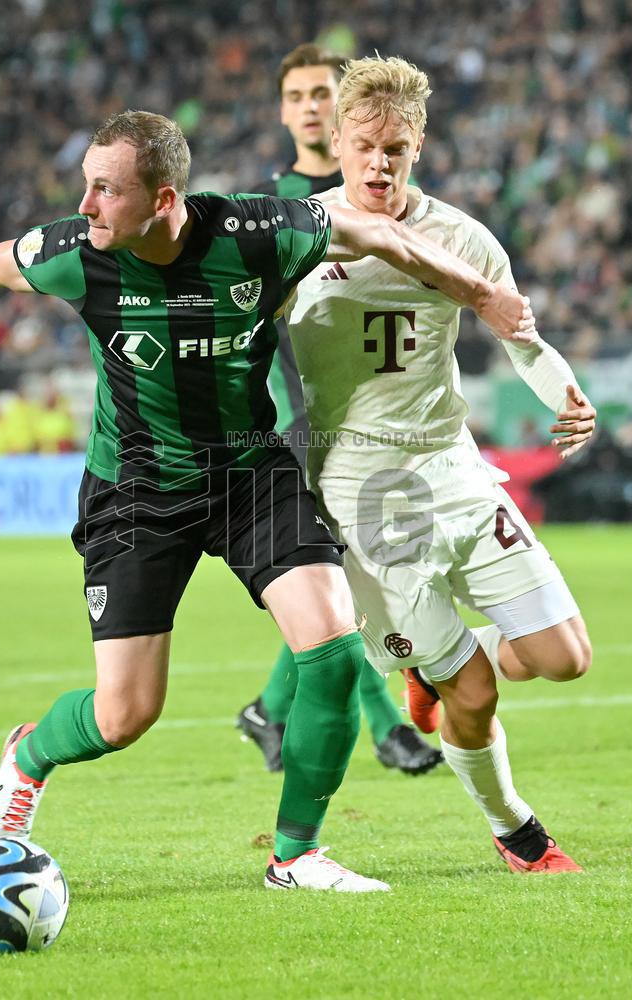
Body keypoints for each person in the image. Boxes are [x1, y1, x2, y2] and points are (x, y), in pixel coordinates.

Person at [0, 110, 536, 891]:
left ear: (162, 199)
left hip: (248, 473)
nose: (84, 206)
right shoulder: (75, 253)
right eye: (85, 186)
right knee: (126, 715)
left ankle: (295, 855)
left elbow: (380, 238)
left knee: (330, 651)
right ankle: (28, 754)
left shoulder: (258, 235)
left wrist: (480, 295)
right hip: (135, 488)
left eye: (104, 190)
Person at [280, 56, 597, 873]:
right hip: (358, 486)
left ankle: (439, 662)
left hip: (453, 468)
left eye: (397, 148)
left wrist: (567, 394)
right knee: (480, 695)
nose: (379, 164)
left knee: (566, 658)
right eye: (366, 146)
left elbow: (520, 336)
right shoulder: (296, 236)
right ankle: (515, 829)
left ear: (418, 146)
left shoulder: (460, 237)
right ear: (338, 141)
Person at [240, 43, 440, 776]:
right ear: (284, 110)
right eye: (296, 97)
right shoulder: (277, 208)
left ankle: (269, 706)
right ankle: (389, 726)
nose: (310, 108)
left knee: (353, 580)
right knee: (340, 580)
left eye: (321, 93)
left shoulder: (388, 194)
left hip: (395, 420)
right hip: (314, 420)